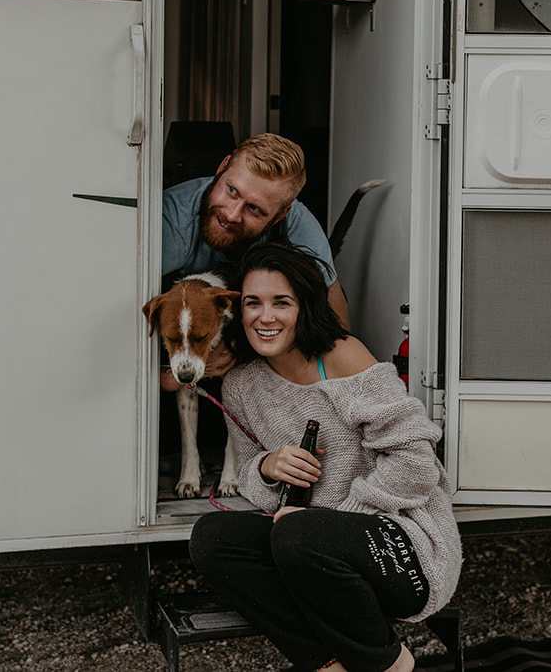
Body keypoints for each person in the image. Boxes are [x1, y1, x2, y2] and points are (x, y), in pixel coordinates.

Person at [190, 244, 460, 672]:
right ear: (237, 313)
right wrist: (268, 465)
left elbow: (416, 466)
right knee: (212, 538)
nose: (265, 316)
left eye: (282, 302)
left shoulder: (341, 356)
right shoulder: (241, 384)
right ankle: (326, 664)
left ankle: (391, 665)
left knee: (298, 534)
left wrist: (336, 521)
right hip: (312, 549)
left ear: (305, 307)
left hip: (405, 545)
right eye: (252, 303)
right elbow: (246, 474)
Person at [159, 133, 345, 393]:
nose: (232, 214)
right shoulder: (171, 223)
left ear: (281, 214)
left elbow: (336, 330)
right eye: (232, 190)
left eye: (254, 209)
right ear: (222, 168)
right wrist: (164, 379)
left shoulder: (299, 231)